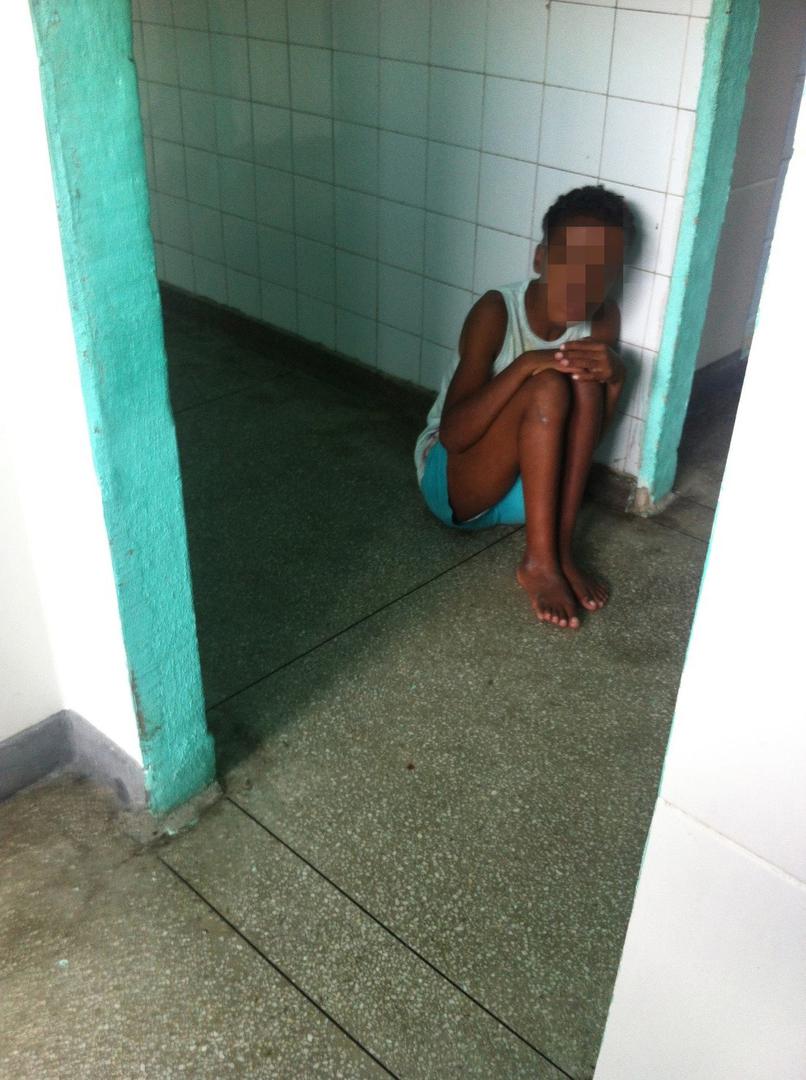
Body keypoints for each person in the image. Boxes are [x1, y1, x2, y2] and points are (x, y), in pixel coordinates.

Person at [414, 185, 634, 630]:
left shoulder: (603, 316)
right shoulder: (497, 311)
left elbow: (586, 438)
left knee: (585, 381)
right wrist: (527, 365)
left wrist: (616, 378)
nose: (583, 281)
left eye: (601, 270)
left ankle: (559, 550)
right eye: (570, 261)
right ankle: (537, 563)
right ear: (541, 259)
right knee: (549, 385)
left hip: (534, 499)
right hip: (457, 484)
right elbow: (454, 436)